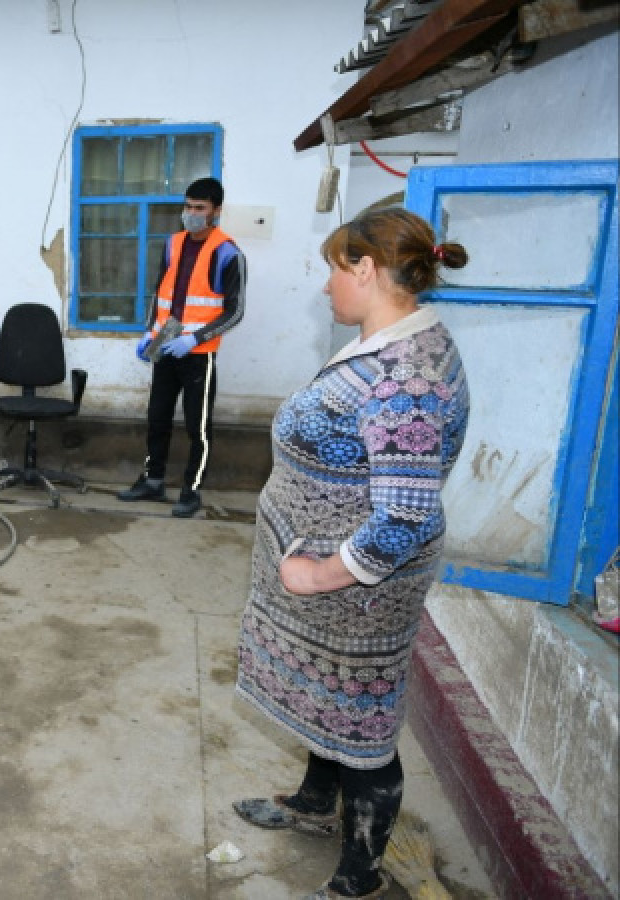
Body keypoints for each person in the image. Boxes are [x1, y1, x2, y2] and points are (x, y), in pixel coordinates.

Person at [231, 208, 470, 900]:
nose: (325, 284)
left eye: (334, 268)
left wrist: (317, 573)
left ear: (366, 270)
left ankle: (358, 877)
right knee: (327, 698)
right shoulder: (388, 343)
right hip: (327, 585)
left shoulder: (410, 378)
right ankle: (313, 804)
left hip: (355, 590)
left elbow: (403, 515)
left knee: (362, 722)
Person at [116, 176, 246, 518]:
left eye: (199, 208)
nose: (191, 213)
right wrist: (149, 333)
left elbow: (236, 312)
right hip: (165, 348)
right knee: (156, 418)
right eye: (187, 207)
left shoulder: (228, 252)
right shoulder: (172, 244)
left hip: (198, 356)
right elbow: (159, 292)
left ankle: (192, 490)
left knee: (197, 427)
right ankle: (153, 479)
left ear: (216, 211)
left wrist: (195, 339)